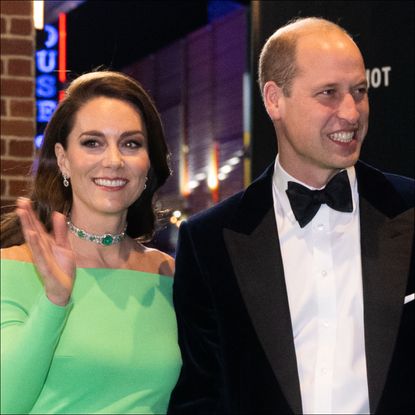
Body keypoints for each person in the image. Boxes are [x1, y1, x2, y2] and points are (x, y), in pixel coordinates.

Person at [167, 17, 414, 414]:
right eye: (329, 93)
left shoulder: (409, 210)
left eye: (359, 91)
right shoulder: (210, 241)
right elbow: (201, 396)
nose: (351, 113)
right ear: (274, 99)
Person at [0, 71, 182, 414]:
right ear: (64, 158)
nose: (114, 160)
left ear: (147, 165)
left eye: (131, 143)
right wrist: (54, 301)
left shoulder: (168, 274)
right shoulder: (11, 267)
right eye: (92, 142)